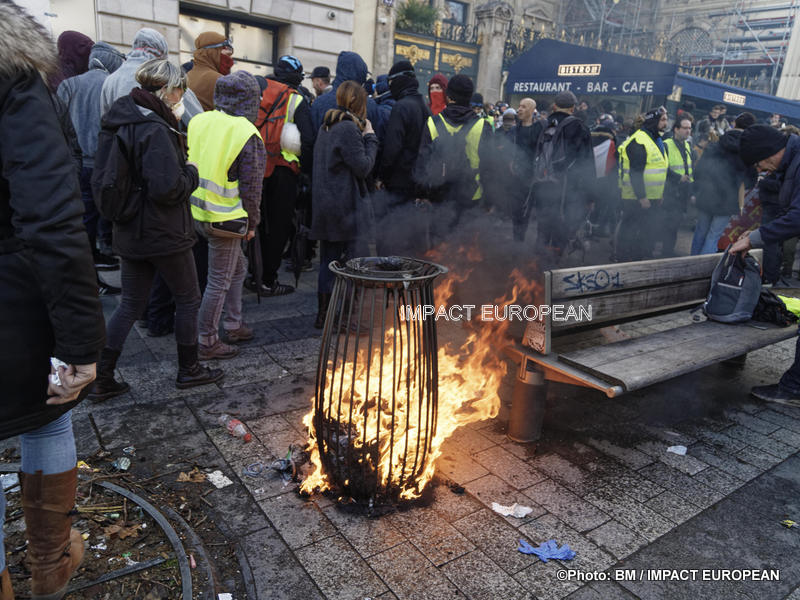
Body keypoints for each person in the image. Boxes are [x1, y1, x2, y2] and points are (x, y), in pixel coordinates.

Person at [0, 3, 105, 598]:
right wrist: (81, 346)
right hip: (16, 301)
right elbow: (49, 218)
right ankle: (50, 563)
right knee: (49, 413)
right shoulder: (14, 74)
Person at [87, 59, 224, 402]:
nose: (182, 96)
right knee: (188, 298)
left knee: (130, 303)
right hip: (163, 232)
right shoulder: (155, 128)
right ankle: (189, 369)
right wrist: (191, 171)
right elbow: (168, 188)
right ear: (167, 90)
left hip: (130, 228)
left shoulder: (122, 119)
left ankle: (101, 377)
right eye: (180, 90)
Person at [189, 71, 266, 359]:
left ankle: (234, 323)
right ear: (249, 100)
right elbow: (252, 187)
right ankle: (207, 340)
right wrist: (252, 223)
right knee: (219, 280)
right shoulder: (246, 132)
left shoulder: (200, 120)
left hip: (198, 212)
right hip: (227, 218)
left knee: (237, 267)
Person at [730, 124, 800, 404]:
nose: (761, 169)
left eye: (759, 162)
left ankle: (793, 389)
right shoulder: (792, 164)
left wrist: (754, 239)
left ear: (771, 153)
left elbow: (798, 217)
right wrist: (755, 233)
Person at [311, 81, 378, 327]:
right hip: (346, 208)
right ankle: (347, 319)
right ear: (359, 103)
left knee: (328, 262)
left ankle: (324, 316)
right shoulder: (348, 129)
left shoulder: (326, 126)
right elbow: (363, 167)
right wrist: (370, 138)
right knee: (353, 264)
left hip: (326, 205)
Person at [57, 42, 125, 276]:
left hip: (76, 162)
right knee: (105, 209)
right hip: (103, 161)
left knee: (84, 213)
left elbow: (59, 125)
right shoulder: (111, 85)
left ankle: (87, 258)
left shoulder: (69, 85)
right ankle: (102, 252)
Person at [249, 55, 315, 297]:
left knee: (257, 223)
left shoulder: (258, 90)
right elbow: (308, 140)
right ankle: (267, 280)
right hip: (282, 171)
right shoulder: (295, 100)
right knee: (277, 228)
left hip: (254, 167)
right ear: (298, 78)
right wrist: (306, 172)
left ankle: (252, 273)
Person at [414, 74, 493, 245]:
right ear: (469, 98)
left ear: (448, 96)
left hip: (438, 195)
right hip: (472, 197)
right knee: (465, 249)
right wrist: (490, 199)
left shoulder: (432, 123)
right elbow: (490, 167)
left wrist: (422, 193)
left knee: (439, 246)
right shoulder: (483, 126)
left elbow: (422, 162)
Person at [376, 60, 430, 256]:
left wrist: (382, 176)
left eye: (391, 81)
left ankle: (391, 271)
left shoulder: (402, 106)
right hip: (417, 180)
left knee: (392, 231)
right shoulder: (424, 107)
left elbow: (392, 147)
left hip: (399, 180)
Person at [531, 91, 593, 261]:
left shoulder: (545, 125)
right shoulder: (580, 127)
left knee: (543, 225)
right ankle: (552, 265)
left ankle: (537, 264)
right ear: (573, 108)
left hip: (543, 184)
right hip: (567, 189)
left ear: (555, 106)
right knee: (561, 226)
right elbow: (587, 164)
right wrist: (590, 195)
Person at [691, 114, 756, 255]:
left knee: (700, 231)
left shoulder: (716, 143)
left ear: (734, 123)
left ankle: (690, 264)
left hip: (707, 195)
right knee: (713, 236)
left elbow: (699, 171)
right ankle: (702, 270)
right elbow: (751, 180)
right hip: (728, 200)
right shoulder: (747, 150)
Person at [617, 107, 669, 261]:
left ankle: (637, 260)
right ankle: (623, 261)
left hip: (651, 198)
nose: (666, 123)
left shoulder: (656, 139)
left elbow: (659, 169)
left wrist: (659, 195)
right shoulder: (639, 140)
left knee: (645, 232)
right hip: (636, 198)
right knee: (630, 232)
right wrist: (642, 197)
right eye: (663, 120)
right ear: (654, 121)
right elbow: (636, 172)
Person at [310, 51, 386, 141]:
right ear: (361, 74)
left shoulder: (319, 102)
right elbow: (376, 140)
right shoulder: (369, 104)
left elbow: (311, 139)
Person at [659, 114, 694, 257]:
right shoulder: (666, 144)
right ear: (676, 129)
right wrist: (679, 178)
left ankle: (667, 253)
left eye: (690, 128)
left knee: (674, 225)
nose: (688, 131)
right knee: (666, 224)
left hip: (682, 193)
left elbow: (690, 169)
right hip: (668, 191)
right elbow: (661, 169)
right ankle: (662, 253)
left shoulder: (687, 145)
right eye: (685, 128)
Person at [509, 97, 543, 242]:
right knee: (516, 210)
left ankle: (520, 240)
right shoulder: (514, 130)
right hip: (515, 176)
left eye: (523, 107)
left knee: (526, 211)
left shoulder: (539, 129)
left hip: (532, 178)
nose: (519, 109)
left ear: (531, 110)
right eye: (519, 106)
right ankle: (517, 238)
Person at [187, 33, 234, 111]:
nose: (230, 61)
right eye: (227, 56)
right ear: (212, 53)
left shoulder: (187, 76)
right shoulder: (219, 80)